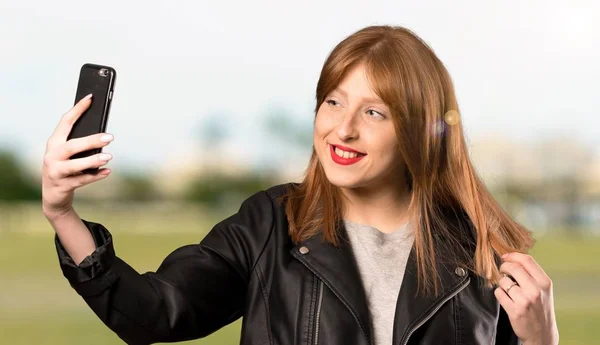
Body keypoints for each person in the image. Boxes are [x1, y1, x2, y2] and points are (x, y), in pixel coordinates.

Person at [42, 25, 559, 345]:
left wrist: (542, 341)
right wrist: (64, 214)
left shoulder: (480, 256)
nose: (343, 128)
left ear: (420, 133)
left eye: (373, 111)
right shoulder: (269, 224)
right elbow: (153, 314)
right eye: (333, 101)